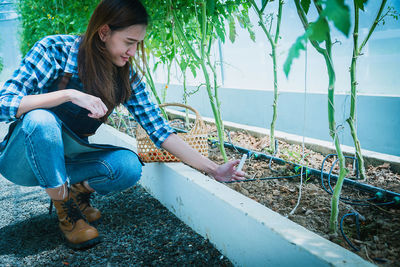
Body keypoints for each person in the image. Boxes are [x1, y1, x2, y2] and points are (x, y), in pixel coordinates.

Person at [0, 0, 245, 249]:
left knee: (127, 166)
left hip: (70, 159)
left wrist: (213, 169)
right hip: (23, 161)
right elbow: (4, 104)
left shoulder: (125, 76)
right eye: (129, 42)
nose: (133, 52)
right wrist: (68, 95)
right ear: (104, 32)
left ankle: (77, 189)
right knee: (41, 120)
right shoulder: (55, 49)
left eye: (138, 44)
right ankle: (68, 214)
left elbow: (160, 131)